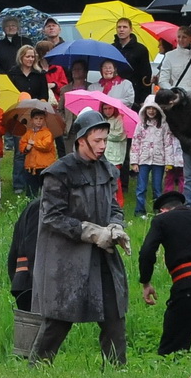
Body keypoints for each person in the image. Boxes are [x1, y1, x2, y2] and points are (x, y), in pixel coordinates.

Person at [30, 109, 129, 364]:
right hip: (67, 257)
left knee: (114, 314)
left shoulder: (108, 170)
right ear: (81, 140)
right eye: (97, 140)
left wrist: (115, 227)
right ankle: (37, 368)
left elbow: (115, 207)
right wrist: (90, 232)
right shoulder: (58, 173)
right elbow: (52, 216)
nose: (103, 146)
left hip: (103, 255)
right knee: (59, 317)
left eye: (105, 140)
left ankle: (117, 371)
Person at [139, 190, 191, 354]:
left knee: (171, 350)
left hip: (186, 286)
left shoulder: (161, 220)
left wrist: (146, 281)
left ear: (163, 210)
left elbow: (147, 251)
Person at [8, 45, 51, 194]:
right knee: (20, 151)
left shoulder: (40, 74)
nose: (30, 59)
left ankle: (36, 182)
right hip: (19, 117)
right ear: (21, 57)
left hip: (36, 115)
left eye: (33, 56)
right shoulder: (13, 74)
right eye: (28, 56)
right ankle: (18, 184)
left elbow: (44, 95)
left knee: (36, 147)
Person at [130, 98, 170, 216]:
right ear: (144, 109)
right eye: (149, 108)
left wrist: (168, 162)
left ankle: (158, 210)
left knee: (157, 188)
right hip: (143, 160)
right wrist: (134, 161)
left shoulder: (163, 125)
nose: (151, 111)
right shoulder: (141, 125)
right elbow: (135, 143)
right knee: (141, 188)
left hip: (159, 160)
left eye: (154, 109)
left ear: (158, 110)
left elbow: (168, 144)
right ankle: (139, 211)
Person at [156, 25, 191, 99]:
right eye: (179, 37)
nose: (181, 40)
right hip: (178, 96)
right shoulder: (169, 56)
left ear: (190, 38)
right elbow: (163, 80)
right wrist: (173, 91)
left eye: (184, 37)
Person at [17, 109, 58, 199]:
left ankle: (45, 205)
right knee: (31, 191)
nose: (38, 121)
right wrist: (26, 147)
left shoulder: (47, 133)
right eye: (36, 118)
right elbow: (22, 145)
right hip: (30, 166)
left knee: (46, 190)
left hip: (45, 166)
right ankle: (31, 204)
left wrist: (33, 143)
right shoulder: (28, 133)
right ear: (31, 120)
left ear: (44, 120)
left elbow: (46, 146)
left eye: (41, 118)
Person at [111, 17, 152, 99]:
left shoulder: (140, 49)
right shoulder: (112, 48)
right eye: (119, 27)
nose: (121, 30)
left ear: (131, 29)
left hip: (135, 91)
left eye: (125, 27)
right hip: (115, 90)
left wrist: (144, 97)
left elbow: (146, 74)